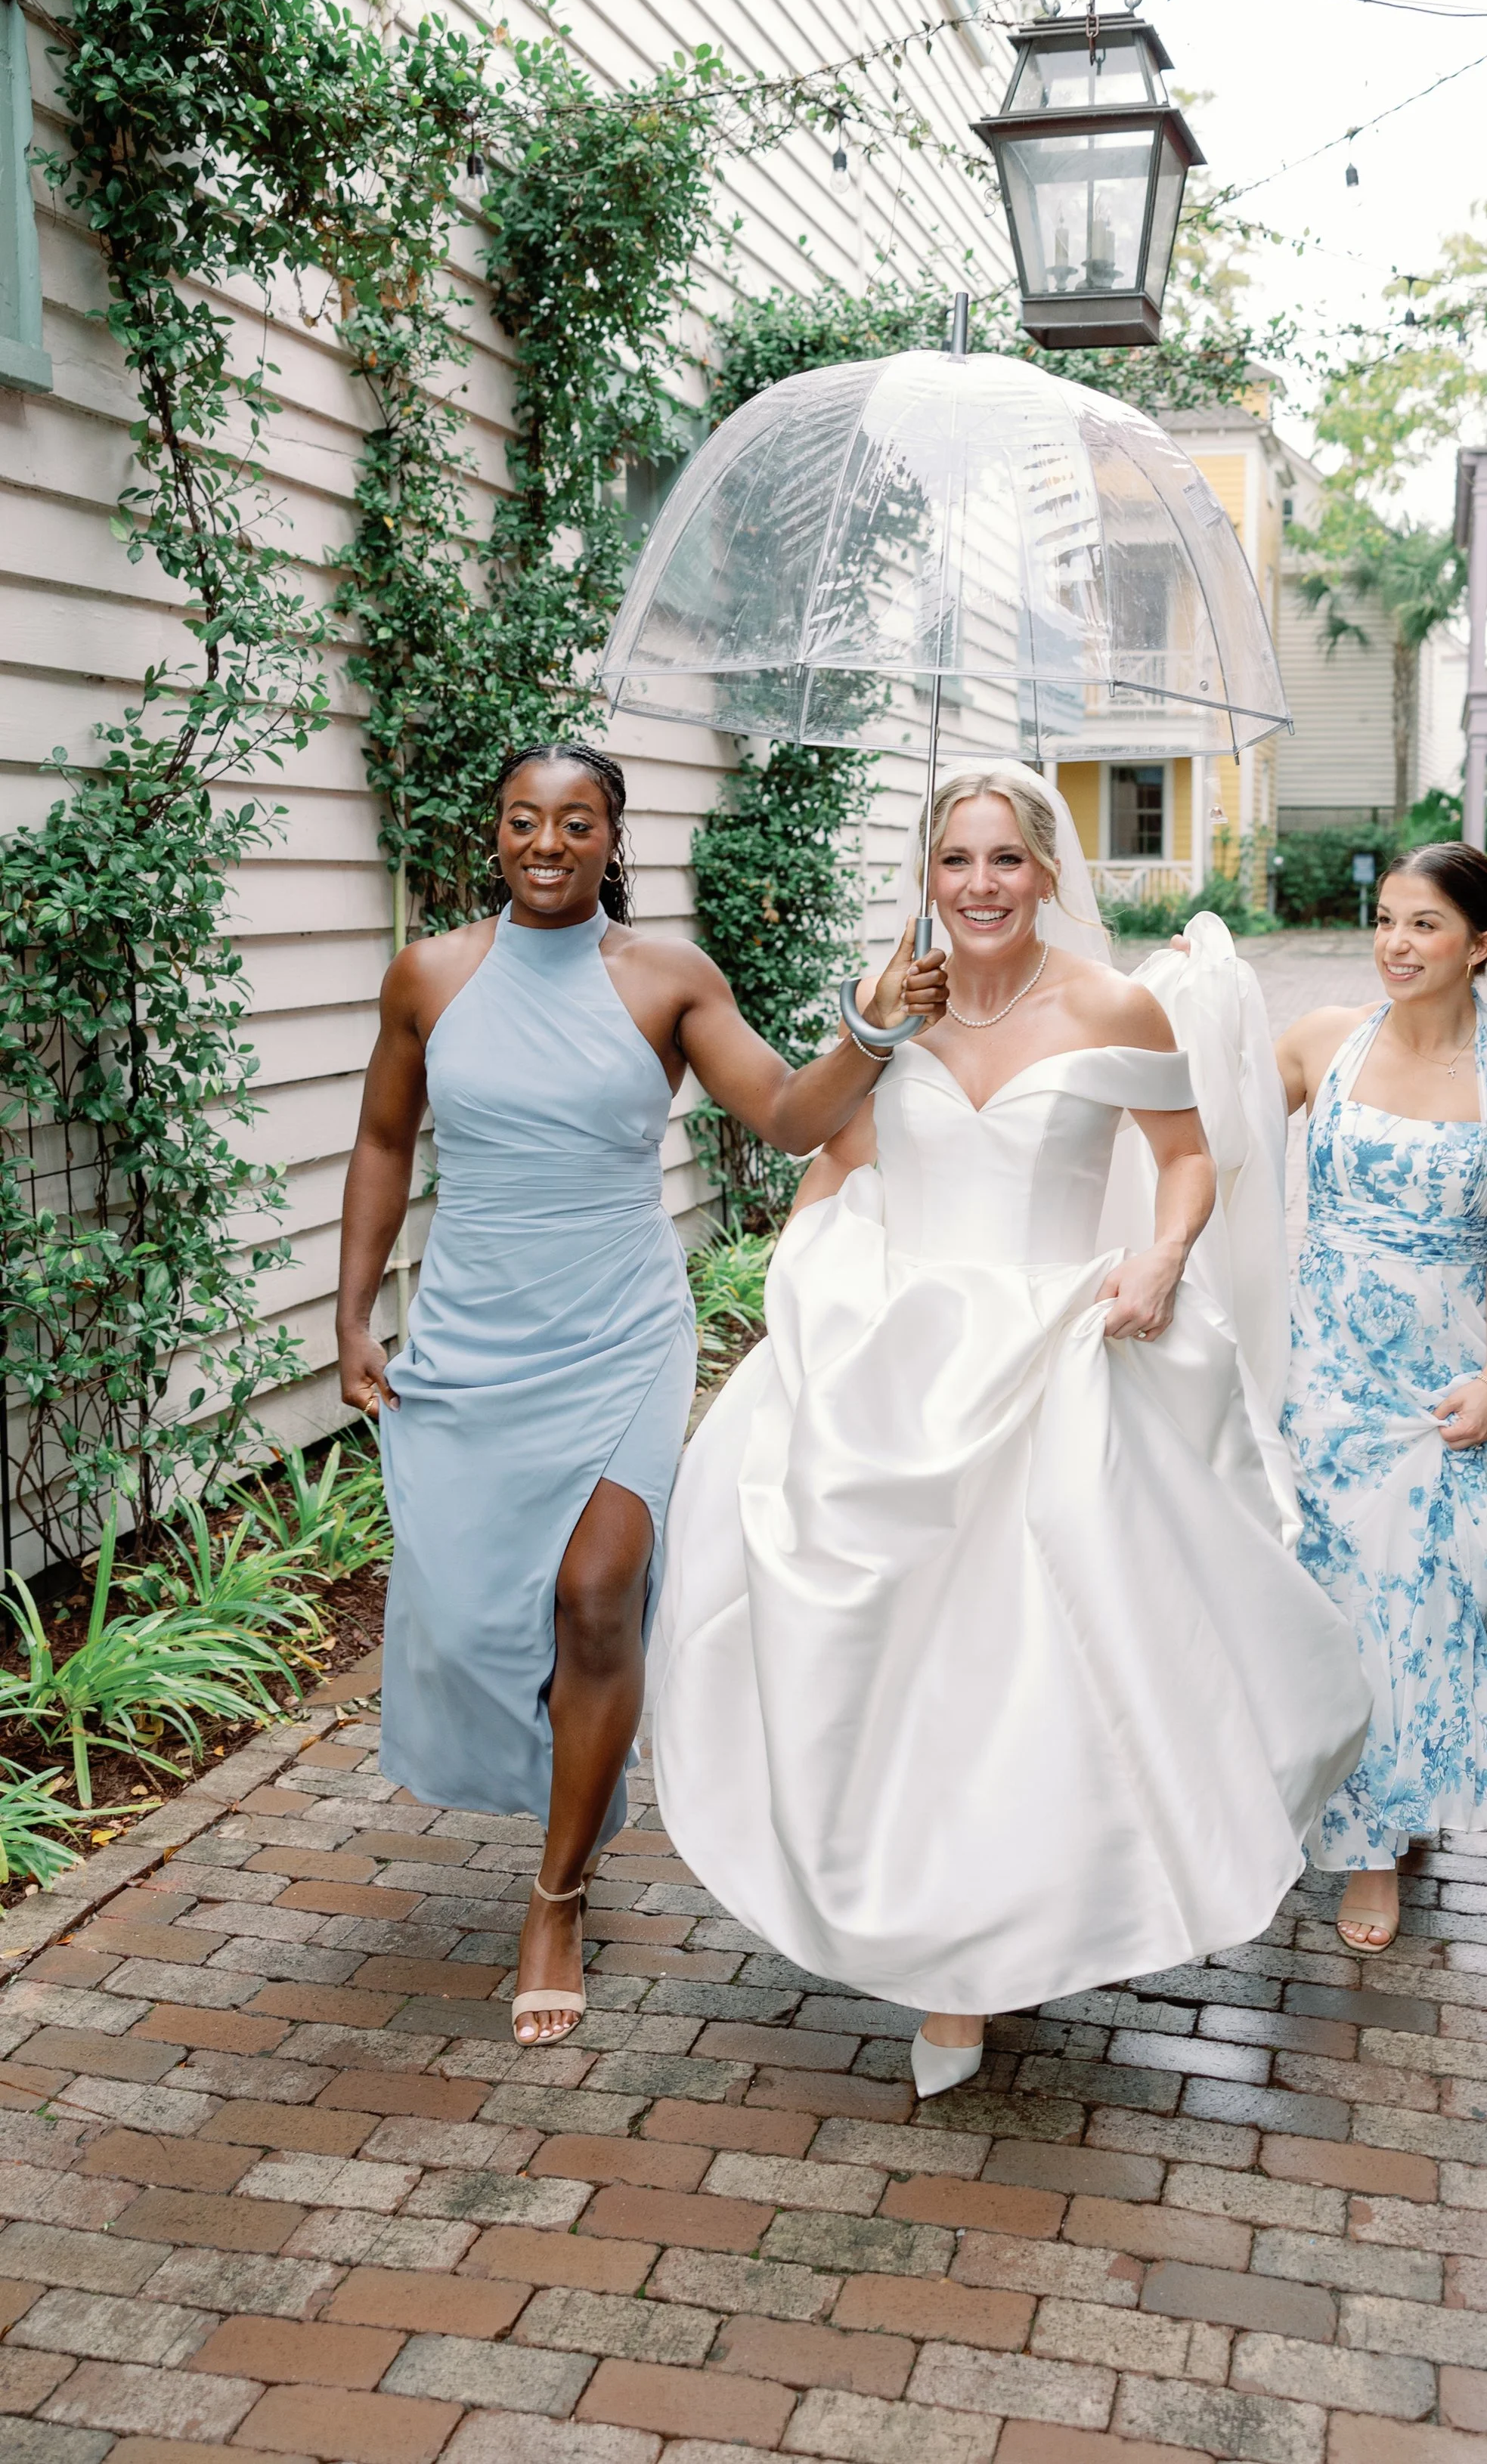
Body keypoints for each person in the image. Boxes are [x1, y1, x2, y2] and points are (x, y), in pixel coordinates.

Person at [649, 760, 1371, 2099]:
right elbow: (830, 1145)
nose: (979, 886)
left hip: (1052, 1358)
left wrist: (1160, 1255)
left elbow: (1192, 1154)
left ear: (1046, 870)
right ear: (927, 876)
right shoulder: (890, 1002)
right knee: (896, 1662)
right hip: (899, 1359)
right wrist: (862, 1081)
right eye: (954, 861)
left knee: (1030, 1663)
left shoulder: (1112, 1003)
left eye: (1004, 860)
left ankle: (1007, 1931)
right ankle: (933, 1932)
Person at [336, 741, 943, 2049]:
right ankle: (573, 1788)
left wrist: (876, 1026)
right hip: (474, 1338)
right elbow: (385, 1139)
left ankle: (556, 1897)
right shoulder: (429, 975)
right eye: (522, 821)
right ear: (492, 834)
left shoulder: (668, 979)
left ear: (617, 837)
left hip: (619, 1332)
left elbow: (786, 1114)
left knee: (598, 1593)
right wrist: (352, 1311)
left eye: (576, 823)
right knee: (468, 1609)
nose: (546, 845)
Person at [1275, 843, 1487, 1955]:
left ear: (1480, 945)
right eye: (1387, 920)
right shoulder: (1319, 1043)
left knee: (1422, 1610)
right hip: (1322, 1374)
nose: (1396, 944)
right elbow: (1204, 1120)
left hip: (1436, 1383)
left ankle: (1384, 1833)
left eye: (1425, 926)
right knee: (1331, 1604)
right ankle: (1353, 1826)